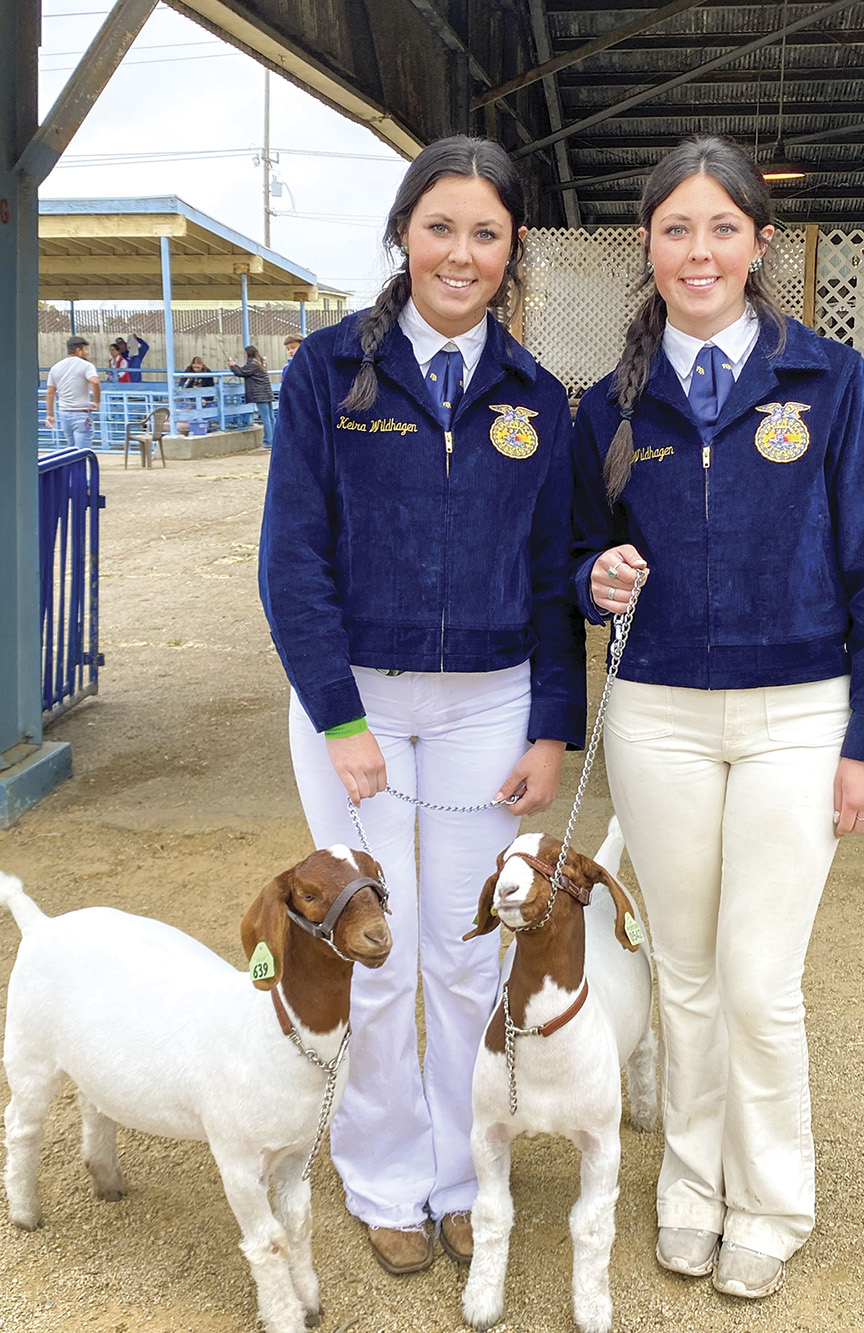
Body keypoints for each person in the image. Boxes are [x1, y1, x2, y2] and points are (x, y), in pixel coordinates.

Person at [571, 135, 864, 1301]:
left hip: (797, 717)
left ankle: (769, 1199)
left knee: (759, 976)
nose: (700, 249)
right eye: (678, 228)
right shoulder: (606, 404)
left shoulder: (829, 383)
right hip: (658, 715)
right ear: (648, 246)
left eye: (724, 227)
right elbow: (575, 555)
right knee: (683, 971)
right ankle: (688, 1185)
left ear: (759, 243)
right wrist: (596, 580)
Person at [259, 135, 585, 1277]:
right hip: (355, 707)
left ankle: (462, 1174)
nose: (461, 252)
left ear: (512, 251)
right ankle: (383, 1173)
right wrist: (339, 716)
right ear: (404, 232)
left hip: (488, 707)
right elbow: (290, 560)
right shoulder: (327, 373)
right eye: (440, 226)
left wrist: (552, 727)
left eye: (485, 233)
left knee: (464, 951)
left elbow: (555, 576)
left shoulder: (538, 397)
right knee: (376, 952)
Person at [45, 336, 101, 449]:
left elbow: (50, 393)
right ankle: (82, 467)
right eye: (85, 349)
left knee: (71, 450)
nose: (87, 353)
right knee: (82, 450)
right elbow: (95, 382)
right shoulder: (86, 365)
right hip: (81, 412)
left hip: (64, 413)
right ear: (78, 351)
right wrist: (96, 401)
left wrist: (50, 414)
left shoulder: (55, 367)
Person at [227, 345, 275, 447]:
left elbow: (241, 372)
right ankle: (274, 440)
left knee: (266, 418)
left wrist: (233, 366)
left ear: (249, 354)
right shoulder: (260, 362)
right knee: (271, 418)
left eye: (245, 353)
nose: (244, 355)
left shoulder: (253, 364)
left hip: (260, 394)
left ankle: (268, 442)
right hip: (267, 392)